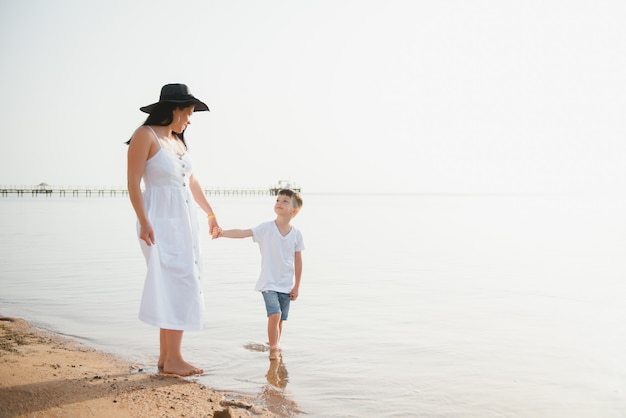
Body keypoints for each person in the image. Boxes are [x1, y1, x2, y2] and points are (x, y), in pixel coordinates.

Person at [126, 83, 220, 376]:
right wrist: (144, 220)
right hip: (159, 218)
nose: (190, 120)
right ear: (174, 109)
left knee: (177, 280)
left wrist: (210, 214)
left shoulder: (178, 141)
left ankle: (166, 358)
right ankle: (175, 358)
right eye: (189, 113)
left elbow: (191, 182)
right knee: (177, 282)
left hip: (184, 219)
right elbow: (133, 182)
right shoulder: (146, 135)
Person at [214, 189, 304, 360]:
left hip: (285, 285)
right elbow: (243, 232)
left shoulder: (296, 234)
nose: (279, 202)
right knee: (274, 314)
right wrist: (222, 233)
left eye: (285, 201)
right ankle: (274, 350)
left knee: (280, 320)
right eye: (278, 199)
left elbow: (299, 262)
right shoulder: (266, 228)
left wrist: (297, 286)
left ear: (295, 211)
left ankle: (274, 345)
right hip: (268, 283)